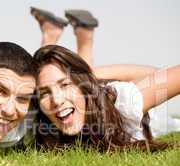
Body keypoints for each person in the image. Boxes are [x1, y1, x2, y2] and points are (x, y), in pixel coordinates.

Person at [30, 7, 180, 143]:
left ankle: (81, 36)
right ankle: (70, 34)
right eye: (44, 93)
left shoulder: (123, 103)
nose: (56, 100)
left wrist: (89, 75)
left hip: (141, 108)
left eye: (65, 85)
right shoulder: (38, 120)